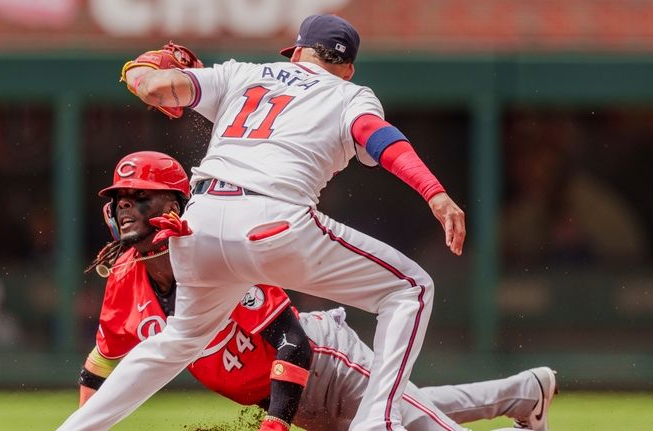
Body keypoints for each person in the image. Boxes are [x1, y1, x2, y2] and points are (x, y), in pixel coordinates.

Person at [59, 15, 467, 431]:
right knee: (410, 288)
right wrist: (433, 191)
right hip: (274, 221)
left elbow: (152, 87)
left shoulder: (242, 73)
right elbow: (380, 138)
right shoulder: (349, 93)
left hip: (197, 224)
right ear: (348, 67)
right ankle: (377, 421)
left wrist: (141, 67)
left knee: (178, 340)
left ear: (298, 51)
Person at [77, 151, 556, 431]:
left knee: (414, 425)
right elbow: (102, 360)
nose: (126, 207)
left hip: (323, 361)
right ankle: (525, 391)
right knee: (409, 410)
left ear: (179, 203)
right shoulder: (123, 278)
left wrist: (275, 425)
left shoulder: (217, 248)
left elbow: (293, 343)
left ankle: (524, 392)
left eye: (141, 196)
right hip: (286, 395)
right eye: (120, 199)